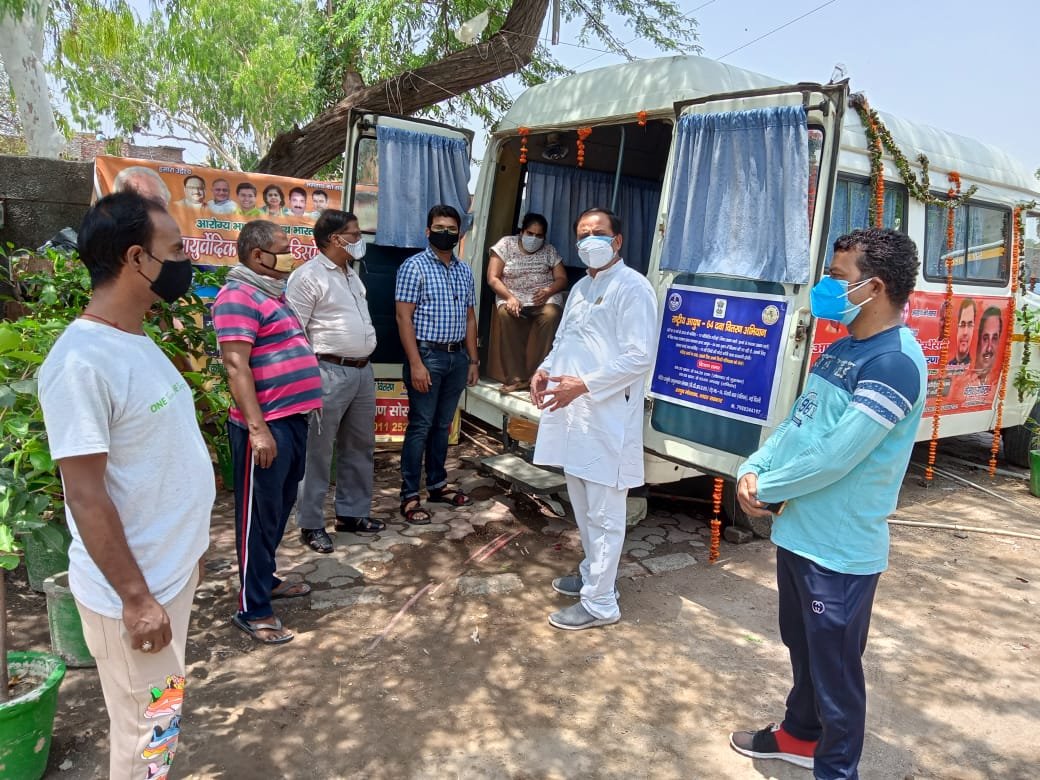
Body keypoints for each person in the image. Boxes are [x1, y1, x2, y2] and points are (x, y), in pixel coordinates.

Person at [729, 228, 927, 779]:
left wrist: (767, 489)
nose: (825, 287)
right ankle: (799, 735)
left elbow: (837, 457)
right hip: (798, 534)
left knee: (837, 672)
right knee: (802, 648)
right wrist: (754, 467)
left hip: (839, 552)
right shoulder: (840, 349)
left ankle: (836, 769)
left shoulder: (894, 364)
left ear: (875, 287)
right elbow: (799, 426)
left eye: (837, 278)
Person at [38, 192, 213, 779]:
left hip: (166, 576)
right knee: (151, 733)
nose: (187, 261)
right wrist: (137, 600)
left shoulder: (133, 340)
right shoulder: (80, 363)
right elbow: (85, 496)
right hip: (133, 597)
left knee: (156, 720)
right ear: (138, 259)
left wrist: (187, 558)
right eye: (177, 251)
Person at [531, 207, 657, 631]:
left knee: (605, 514)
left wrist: (582, 385)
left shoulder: (633, 288)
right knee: (583, 506)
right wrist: (544, 369)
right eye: (583, 234)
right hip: (575, 415)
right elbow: (566, 339)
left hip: (607, 417)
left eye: (599, 233)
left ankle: (601, 602)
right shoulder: (582, 287)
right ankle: (591, 576)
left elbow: (639, 356)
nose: (590, 241)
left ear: (617, 241)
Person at [212, 220, 322, 644]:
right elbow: (236, 366)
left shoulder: (271, 294)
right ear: (258, 255)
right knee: (257, 517)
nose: (291, 253)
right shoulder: (236, 296)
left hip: (292, 421)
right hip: (266, 427)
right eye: (283, 247)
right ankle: (252, 607)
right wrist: (258, 431)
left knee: (278, 508)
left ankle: (265, 578)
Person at [286, 210, 384, 554]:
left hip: (361, 372)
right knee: (318, 451)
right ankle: (311, 524)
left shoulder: (351, 275)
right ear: (334, 239)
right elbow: (294, 332)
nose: (360, 241)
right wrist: (307, 378)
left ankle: (352, 514)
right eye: (354, 235)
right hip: (325, 372)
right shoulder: (308, 277)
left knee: (359, 446)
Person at [394, 204, 479, 525]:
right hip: (426, 356)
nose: (446, 234)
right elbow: (403, 317)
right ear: (428, 232)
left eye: (451, 230)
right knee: (420, 426)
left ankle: (438, 485)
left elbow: (470, 318)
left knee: (443, 426)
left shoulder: (464, 270)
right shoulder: (413, 267)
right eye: (439, 228)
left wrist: (473, 359)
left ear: (460, 234)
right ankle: (410, 495)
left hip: (457, 358)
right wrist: (415, 363)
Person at [487, 212, 568, 394]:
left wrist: (549, 290)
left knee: (551, 315)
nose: (534, 238)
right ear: (522, 231)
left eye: (539, 236)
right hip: (513, 295)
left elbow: (562, 279)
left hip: (543, 297)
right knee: (505, 314)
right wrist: (509, 297)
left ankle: (537, 376)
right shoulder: (506, 244)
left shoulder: (549, 251)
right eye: (530, 234)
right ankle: (516, 378)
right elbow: (493, 278)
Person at [974, 306, 1003, 384]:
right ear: (978, 341)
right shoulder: (962, 382)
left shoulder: (997, 381)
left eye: (994, 338)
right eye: (985, 338)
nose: (989, 348)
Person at [947, 298, 976, 367]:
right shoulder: (948, 365)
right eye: (962, 325)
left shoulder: (974, 367)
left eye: (970, 325)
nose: (965, 332)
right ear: (957, 327)